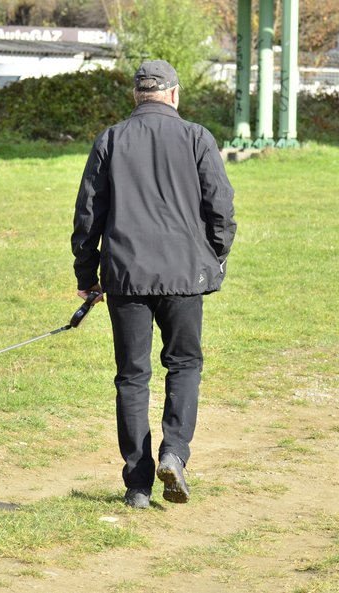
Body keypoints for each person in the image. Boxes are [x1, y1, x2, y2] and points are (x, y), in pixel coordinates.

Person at [70, 60, 236, 509]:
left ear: (137, 96)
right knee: (183, 365)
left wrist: (88, 276)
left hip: (125, 276)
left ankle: (138, 484)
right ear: (175, 95)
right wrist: (214, 259)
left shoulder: (110, 139)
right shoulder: (198, 137)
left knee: (132, 377)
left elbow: (88, 214)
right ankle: (174, 452)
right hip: (184, 276)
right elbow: (220, 208)